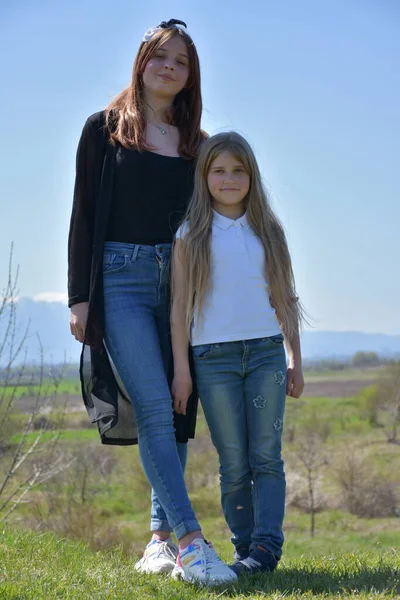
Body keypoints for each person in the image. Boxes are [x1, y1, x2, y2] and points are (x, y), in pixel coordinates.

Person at [68, 19, 236, 586]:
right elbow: (83, 215)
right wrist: (79, 298)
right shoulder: (104, 130)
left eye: (182, 61)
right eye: (161, 56)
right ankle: (193, 543)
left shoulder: (197, 144)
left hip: (182, 283)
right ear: (142, 61)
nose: (170, 67)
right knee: (155, 408)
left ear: (191, 76)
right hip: (120, 281)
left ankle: (159, 541)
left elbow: (214, 222)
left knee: (178, 407)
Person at [171, 131, 306, 576]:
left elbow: (286, 299)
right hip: (213, 361)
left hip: (266, 355)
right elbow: (179, 311)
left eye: (238, 170)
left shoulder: (268, 231)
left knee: (266, 456)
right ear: (204, 176)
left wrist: (294, 359)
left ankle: (266, 549)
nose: (229, 179)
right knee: (233, 462)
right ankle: (245, 549)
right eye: (219, 170)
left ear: (251, 175)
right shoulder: (191, 235)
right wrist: (182, 371)